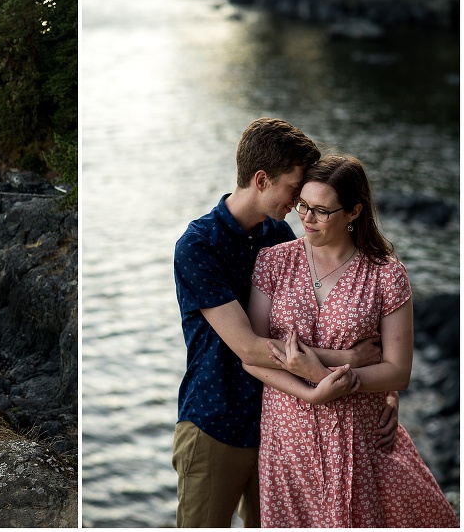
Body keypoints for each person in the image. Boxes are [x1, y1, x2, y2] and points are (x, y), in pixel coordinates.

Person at [172, 118, 399, 527]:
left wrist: (384, 393)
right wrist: (349, 359)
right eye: (294, 189)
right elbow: (250, 346)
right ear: (261, 180)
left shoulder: (276, 236)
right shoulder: (198, 246)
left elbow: (332, 316)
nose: (301, 204)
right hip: (216, 422)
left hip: (281, 427)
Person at [243, 154, 458, 527]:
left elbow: (397, 371)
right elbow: (252, 355)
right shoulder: (272, 262)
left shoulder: (387, 276)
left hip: (358, 439)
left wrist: (339, 380)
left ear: (354, 212)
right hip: (287, 439)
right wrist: (337, 366)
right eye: (303, 205)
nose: (306, 219)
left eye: (322, 211)